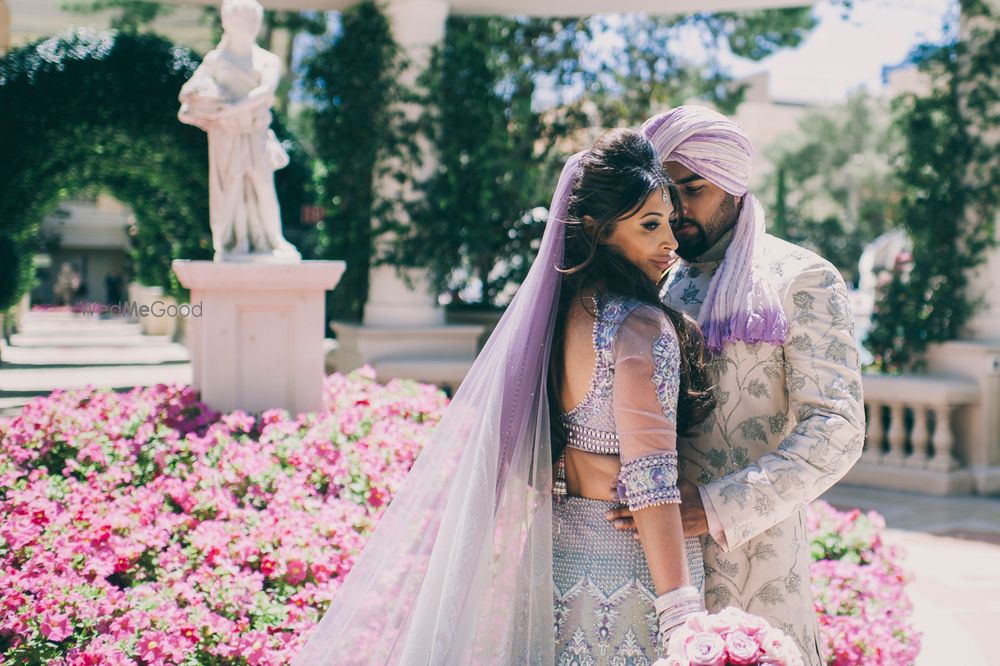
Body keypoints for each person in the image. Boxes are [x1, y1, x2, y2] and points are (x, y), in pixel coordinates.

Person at [292, 129, 714, 664]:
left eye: (670, 225)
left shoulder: (555, 320)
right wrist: (683, 615)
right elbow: (649, 478)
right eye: (650, 226)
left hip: (555, 572)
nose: (670, 244)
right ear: (596, 229)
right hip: (631, 578)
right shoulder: (639, 325)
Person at [606, 105, 866, 665]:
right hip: (642, 564)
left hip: (756, 567)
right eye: (665, 195)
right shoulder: (651, 275)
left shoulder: (801, 278)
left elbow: (838, 429)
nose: (676, 213)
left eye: (693, 190)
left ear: (733, 186)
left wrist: (719, 507)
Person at [177, 0, 300, 262]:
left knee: (263, 186)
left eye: (253, 20)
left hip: (255, 132)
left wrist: (230, 109)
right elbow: (190, 93)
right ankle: (233, 242)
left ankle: (272, 239)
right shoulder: (216, 60)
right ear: (228, 23)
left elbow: (265, 92)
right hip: (225, 135)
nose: (250, 26)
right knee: (229, 187)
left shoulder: (268, 60)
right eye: (243, 20)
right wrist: (202, 105)